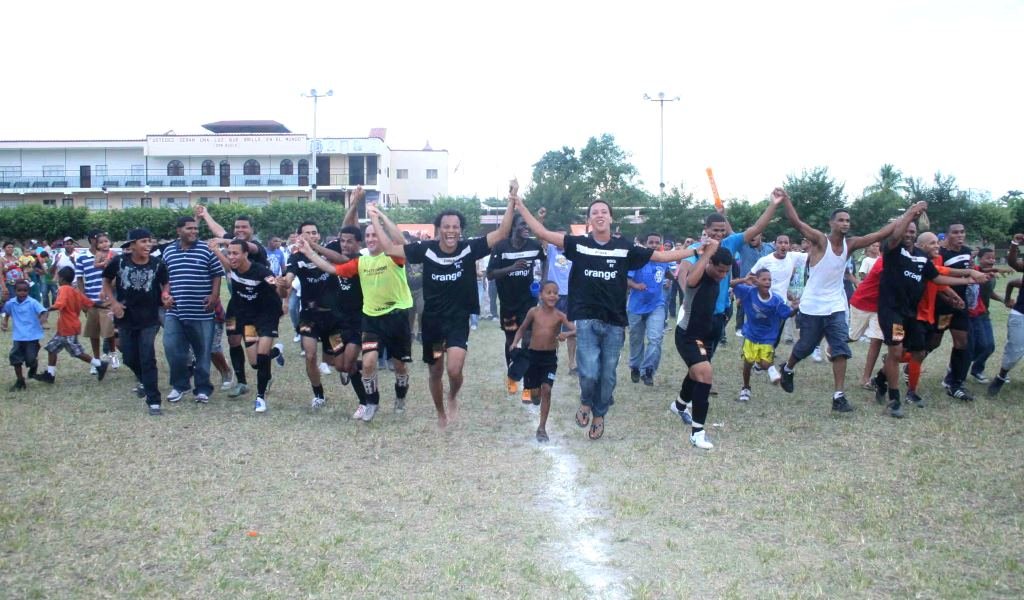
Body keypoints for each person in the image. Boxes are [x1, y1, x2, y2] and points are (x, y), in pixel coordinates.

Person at [515, 198, 695, 440]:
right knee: (588, 373)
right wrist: (519, 204)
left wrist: (696, 249)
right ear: (589, 220)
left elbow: (662, 257)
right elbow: (542, 232)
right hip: (587, 320)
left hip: (615, 322)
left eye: (604, 212)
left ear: (611, 218)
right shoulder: (578, 244)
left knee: (608, 376)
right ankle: (586, 402)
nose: (599, 215)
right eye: (594, 212)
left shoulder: (624, 247)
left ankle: (599, 415)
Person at [377, 189, 517, 428]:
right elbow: (390, 249)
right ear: (439, 229)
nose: (451, 231)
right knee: (435, 371)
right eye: (446, 226)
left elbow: (502, 233)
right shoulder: (427, 249)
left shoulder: (469, 248)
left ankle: (452, 396)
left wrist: (512, 201)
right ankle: (440, 412)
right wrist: (374, 220)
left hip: (457, 319)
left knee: (454, 369)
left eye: (455, 227)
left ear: (460, 229)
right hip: (431, 321)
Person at [778, 197, 928, 413]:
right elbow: (797, 222)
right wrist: (785, 200)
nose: (845, 223)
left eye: (848, 220)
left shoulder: (852, 244)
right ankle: (789, 367)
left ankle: (838, 396)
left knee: (840, 348)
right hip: (812, 305)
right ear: (832, 223)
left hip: (837, 305)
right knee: (806, 346)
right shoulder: (821, 240)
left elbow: (881, 234)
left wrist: (910, 214)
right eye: (841, 220)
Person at [303, 206, 415, 421]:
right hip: (371, 318)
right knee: (370, 362)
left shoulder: (394, 257)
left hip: (397, 316)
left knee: (400, 366)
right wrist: (309, 251)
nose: (372, 238)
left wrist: (380, 217)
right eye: (369, 235)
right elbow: (332, 269)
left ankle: (401, 395)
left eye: (375, 234)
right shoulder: (361, 262)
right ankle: (371, 402)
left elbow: (400, 240)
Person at [872, 226, 985, 417]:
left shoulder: (923, 258)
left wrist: (969, 280)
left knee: (918, 352)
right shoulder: (892, 250)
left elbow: (938, 277)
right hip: (894, 313)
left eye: (912, 231)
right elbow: (944, 271)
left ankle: (886, 380)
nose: (909, 234)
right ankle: (894, 399)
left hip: (913, 314)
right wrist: (912, 212)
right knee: (897, 350)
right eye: (906, 231)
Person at [678, 190, 786, 362]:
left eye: (722, 230)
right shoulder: (695, 249)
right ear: (706, 230)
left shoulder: (730, 244)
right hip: (698, 312)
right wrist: (686, 295)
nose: (719, 234)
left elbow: (757, 228)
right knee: (699, 357)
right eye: (715, 230)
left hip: (720, 312)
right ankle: (701, 381)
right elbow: (683, 273)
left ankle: (701, 380)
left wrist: (773, 204)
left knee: (708, 354)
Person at [280, 221, 364, 411]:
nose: (312, 235)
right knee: (310, 355)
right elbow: (289, 279)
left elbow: (343, 256)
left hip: (334, 318)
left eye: (314, 232)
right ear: (299, 236)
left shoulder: (331, 248)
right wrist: (283, 282)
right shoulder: (296, 258)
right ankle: (318, 394)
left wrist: (353, 203)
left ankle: (355, 368)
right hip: (310, 316)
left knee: (339, 363)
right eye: (307, 233)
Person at [209, 238, 285, 413]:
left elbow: (281, 291)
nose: (232, 257)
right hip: (248, 319)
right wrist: (215, 249)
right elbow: (227, 263)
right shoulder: (232, 268)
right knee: (255, 362)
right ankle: (277, 351)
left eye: (236, 253)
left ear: (246, 254)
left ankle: (260, 398)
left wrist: (282, 287)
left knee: (262, 354)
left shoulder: (261, 272)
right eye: (230, 253)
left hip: (267, 316)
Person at [670, 240, 732, 449]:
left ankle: (678, 405)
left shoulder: (717, 277)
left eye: (726, 272)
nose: (723, 275)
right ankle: (697, 433)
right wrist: (708, 252)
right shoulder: (699, 275)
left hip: (702, 336)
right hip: (687, 335)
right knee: (705, 374)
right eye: (720, 271)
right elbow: (689, 281)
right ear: (710, 263)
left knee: (696, 372)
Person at [102, 230, 170, 415]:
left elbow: (165, 283)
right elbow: (106, 281)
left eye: (150, 241)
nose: (148, 245)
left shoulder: (157, 264)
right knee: (130, 357)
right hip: (125, 316)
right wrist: (114, 302)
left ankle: (154, 401)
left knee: (147, 356)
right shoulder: (119, 261)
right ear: (132, 245)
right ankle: (143, 380)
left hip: (149, 318)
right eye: (143, 241)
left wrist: (165, 295)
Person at [161, 216, 225, 404]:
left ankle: (203, 388)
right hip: (175, 309)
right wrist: (165, 294)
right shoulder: (169, 251)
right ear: (178, 230)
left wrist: (214, 296)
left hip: (202, 310)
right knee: (172, 347)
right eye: (189, 228)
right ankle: (180, 385)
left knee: (203, 351)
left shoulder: (206, 249)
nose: (194, 232)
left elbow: (217, 274)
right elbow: (166, 278)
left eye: (196, 229)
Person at [509, 281, 576, 442]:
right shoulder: (534, 312)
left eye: (555, 292)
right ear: (541, 295)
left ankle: (542, 428)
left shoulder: (560, 315)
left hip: (549, 358)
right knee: (535, 393)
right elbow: (522, 328)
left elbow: (575, 329)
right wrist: (514, 342)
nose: (553, 295)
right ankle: (534, 394)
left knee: (547, 389)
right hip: (533, 356)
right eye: (549, 292)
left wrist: (565, 335)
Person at [488, 214, 545, 398]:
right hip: (508, 304)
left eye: (528, 225)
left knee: (528, 341)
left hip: (528, 303)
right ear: (513, 227)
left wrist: (543, 283)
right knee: (511, 341)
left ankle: (528, 386)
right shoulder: (501, 247)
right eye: (523, 224)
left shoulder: (534, 246)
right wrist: (511, 268)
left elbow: (545, 260)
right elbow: (490, 274)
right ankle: (512, 377)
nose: (527, 228)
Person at [35, 266, 110, 385]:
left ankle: (100, 364)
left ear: (62, 279)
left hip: (67, 327)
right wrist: (104, 306)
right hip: (69, 326)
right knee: (51, 348)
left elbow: (60, 304)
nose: (57, 279)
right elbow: (89, 302)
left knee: (76, 352)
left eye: (58, 277)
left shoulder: (63, 289)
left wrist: (45, 309)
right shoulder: (75, 290)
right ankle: (50, 374)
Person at [731, 269, 796, 402]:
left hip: (768, 337)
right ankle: (746, 387)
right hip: (751, 334)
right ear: (756, 281)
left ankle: (771, 369)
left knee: (765, 360)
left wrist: (797, 307)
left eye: (770, 280)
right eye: (764, 279)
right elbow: (731, 284)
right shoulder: (749, 292)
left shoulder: (776, 300)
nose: (767, 282)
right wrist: (744, 280)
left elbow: (786, 314)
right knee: (747, 364)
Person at [934, 223, 977, 400]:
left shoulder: (966, 251)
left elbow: (969, 275)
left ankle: (955, 384)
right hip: (944, 307)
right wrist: (948, 298)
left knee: (962, 342)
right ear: (948, 235)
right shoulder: (941, 255)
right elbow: (937, 280)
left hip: (960, 307)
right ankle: (911, 364)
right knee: (933, 342)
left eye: (962, 232)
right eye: (955, 232)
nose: (960, 235)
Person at [627, 232, 672, 386]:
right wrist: (636, 285)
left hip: (656, 304)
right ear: (645, 243)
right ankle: (635, 366)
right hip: (636, 306)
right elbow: (626, 279)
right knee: (636, 339)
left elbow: (668, 274)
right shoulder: (638, 259)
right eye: (651, 242)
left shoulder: (663, 259)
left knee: (655, 339)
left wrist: (670, 280)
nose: (654, 245)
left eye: (656, 242)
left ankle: (648, 371)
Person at [75, 231, 119, 371]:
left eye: (106, 240)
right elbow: (80, 279)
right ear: (92, 241)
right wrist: (83, 299)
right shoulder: (82, 258)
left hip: (108, 299)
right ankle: (97, 360)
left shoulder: (113, 255)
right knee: (94, 333)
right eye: (99, 240)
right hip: (91, 300)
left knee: (109, 331)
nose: (103, 243)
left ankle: (113, 355)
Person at [988, 233, 1024, 396]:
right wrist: (1014, 244)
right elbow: (1014, 265)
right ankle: (1001, 376)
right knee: (1014, 351)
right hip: (1021, 314)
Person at [541, 225, 576, 374]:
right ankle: (550, 361)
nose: (560, 241)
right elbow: (541, 235)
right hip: (552, 296)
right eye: (558, 237)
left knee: (571, 331)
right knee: (550, 330)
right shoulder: (551, 250)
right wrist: (541, 220)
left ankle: (572, 364)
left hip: (570, 295)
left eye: (563, 238)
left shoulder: (573, 252)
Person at [847, 256, 886, 389]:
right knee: (853, 337)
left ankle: (866, 378)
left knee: (877, 340)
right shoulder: (883, 261)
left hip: (879, 308)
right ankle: (833, 342)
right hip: (862, 303)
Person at [2, 280, 48, 391]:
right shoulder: (11, 303)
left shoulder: (32, 302)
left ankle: (34, 364)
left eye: (25, 290)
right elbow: (6, 312)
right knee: (15, 358)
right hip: (18, 337)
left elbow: (43, 311)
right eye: (19, 290)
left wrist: (43, 319)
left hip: (32, 336)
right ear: (15, 291)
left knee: (30, 358)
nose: (22, 293)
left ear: (28, 291)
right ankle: (20, 381)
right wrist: (5, 321)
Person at [966, 248, 1002, 383]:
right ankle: (957, 366)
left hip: (984, 313)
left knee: (990, 345)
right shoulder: (976, 272)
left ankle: (977, 369)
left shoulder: (990, 275)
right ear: (980, 259)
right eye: (988, 258)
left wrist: (1003, 300)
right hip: (972, 314)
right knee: (975, 346)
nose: (992, 260)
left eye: (993, 258)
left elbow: (989, 293)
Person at [734, 233, 775, 337]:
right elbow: (731, 235)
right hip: (746, 281)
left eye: (755, 234)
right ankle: (739, 327)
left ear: (760, 235)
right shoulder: (743, 247)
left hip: (762, 283)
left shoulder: (769, 248)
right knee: (742, 305)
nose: (752, 236)